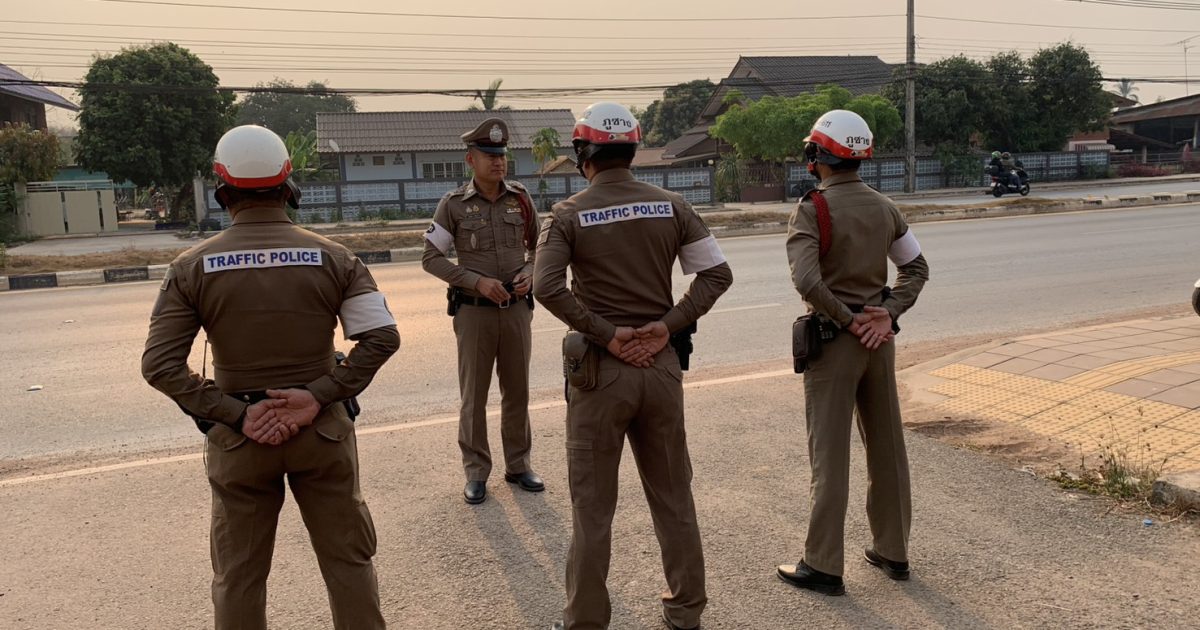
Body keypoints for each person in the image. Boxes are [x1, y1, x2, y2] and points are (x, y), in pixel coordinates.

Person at [141, 125, 400, 629]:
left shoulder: (191, 267)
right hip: (322, 434)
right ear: (289, 186)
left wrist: (238, 415)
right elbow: (381, 339)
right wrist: (317, 396)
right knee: (349, 565)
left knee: (238, 577)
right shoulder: (336, 258)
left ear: (222, 191)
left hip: (240, 442)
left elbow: (160, 365)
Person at [535, 102, 733, 630]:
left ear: (583, 154)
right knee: (674, 497)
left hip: (601, 373)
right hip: (662, 369)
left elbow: (545, 287)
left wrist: (607, 333)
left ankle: (585, 621)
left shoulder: (568, 214)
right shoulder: (673, 205)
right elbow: (717, 275)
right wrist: (667, 325)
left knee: (592, 509)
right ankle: (686, 611)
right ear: (632, 150)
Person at [776, 110, 930, 596]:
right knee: (887, 447)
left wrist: (848, 320)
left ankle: (823, 564)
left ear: (817, 156)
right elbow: (917, 269)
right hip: (879, 343)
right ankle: (893, 551)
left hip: (834, 343)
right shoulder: (885, 207)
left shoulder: (813, 209)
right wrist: (887, 312)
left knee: (830, 454)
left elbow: (807, 280)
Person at [422, 117, 543, 505]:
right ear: (470, 160)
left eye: (501, 155)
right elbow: (430, 258)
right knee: (474, 396)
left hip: (516, 310)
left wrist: (529, 273)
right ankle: (476, 471)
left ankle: (519, 465)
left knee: (517, 392)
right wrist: (476, 282)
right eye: (489, 155)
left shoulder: (520, 199)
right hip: (474, 313)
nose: (498, 162)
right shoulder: (453, 205)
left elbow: (540, 249)